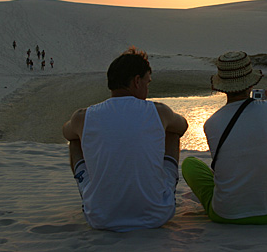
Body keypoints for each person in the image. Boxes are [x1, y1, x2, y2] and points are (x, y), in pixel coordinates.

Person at [62, 47, 188, 232]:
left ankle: (100, 197)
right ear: (137, 81)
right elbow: (182, 126)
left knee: (75, 139)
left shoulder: (83, 116)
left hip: (100, 218)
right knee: (172, 131)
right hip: (157, 215)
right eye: (147, 82)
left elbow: (67, 133)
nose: (147, 88)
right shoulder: (158, 111)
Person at [182, 51, 267, 225]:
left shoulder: (211, 123)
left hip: (224, 215)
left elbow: (230, 158)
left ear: (222, 86)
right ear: (250, 84)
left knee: (189, 164)